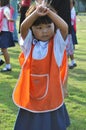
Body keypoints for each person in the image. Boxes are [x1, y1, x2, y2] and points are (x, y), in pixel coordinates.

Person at [13, 1, 70, 130]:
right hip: (31, 95)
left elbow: (65, 27)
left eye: (48, 26)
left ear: (54, 26)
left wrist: (48, 12)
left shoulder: (57, 44)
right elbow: (23, 28)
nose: (44, 31)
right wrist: (35, 13)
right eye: (39, 28)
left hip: (51, 95)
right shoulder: (28, 45)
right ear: (32, 30)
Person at [0, 0, 15, 72]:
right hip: (1, 31)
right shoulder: (1, 8)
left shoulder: (5, 8)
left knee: (4, 49)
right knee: (3, 49)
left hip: (4, 32)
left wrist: (9, 18)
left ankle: (8, 66)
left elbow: (7, 14)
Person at [68, 0, 78, 69]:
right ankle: (72, 62)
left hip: (70, 29)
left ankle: (71, 62)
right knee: (69, 47)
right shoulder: (72, 9)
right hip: (70, 29)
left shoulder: (71, 10)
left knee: (68, 47)